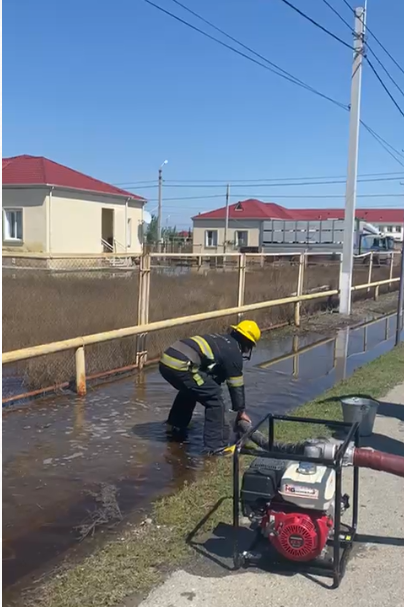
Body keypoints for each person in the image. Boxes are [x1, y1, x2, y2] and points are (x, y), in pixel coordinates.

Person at [159, 320, 261, 455]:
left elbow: (209, 372)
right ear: (247, 343)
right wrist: (240, 411)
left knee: (192, 390)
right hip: (181, 366)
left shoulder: (221, 340)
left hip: (166, 361)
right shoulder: (234, 352)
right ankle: (216, 448)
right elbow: (236, 386)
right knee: (215, 398)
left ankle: (175, 426)